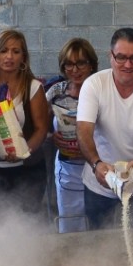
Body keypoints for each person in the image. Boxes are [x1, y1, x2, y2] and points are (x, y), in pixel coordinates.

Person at [76, 28, 133, 230]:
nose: (128, 65)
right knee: (98, 247)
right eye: (121, 57)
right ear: (111, 57)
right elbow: (83, 131)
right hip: (100, 184)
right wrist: (96, 164)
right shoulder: (94, 85)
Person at [0, 30, 51, 217]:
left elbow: (41, 130)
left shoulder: (33, 87)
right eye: (4, 51)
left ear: (23, 57)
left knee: (26, 224)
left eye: (16, 51)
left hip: (28, 171)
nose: (9, 57)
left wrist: (24, 151)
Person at [46, 38, 98, 232]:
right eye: (69, 63)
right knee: (69, 222)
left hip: (96, 166)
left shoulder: (101, 91)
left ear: (91, 64)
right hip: (68, 168)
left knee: (97, 223)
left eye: (81, 63)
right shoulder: (55, 92)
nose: (74, 69)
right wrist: (52, 136)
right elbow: (41, 126)